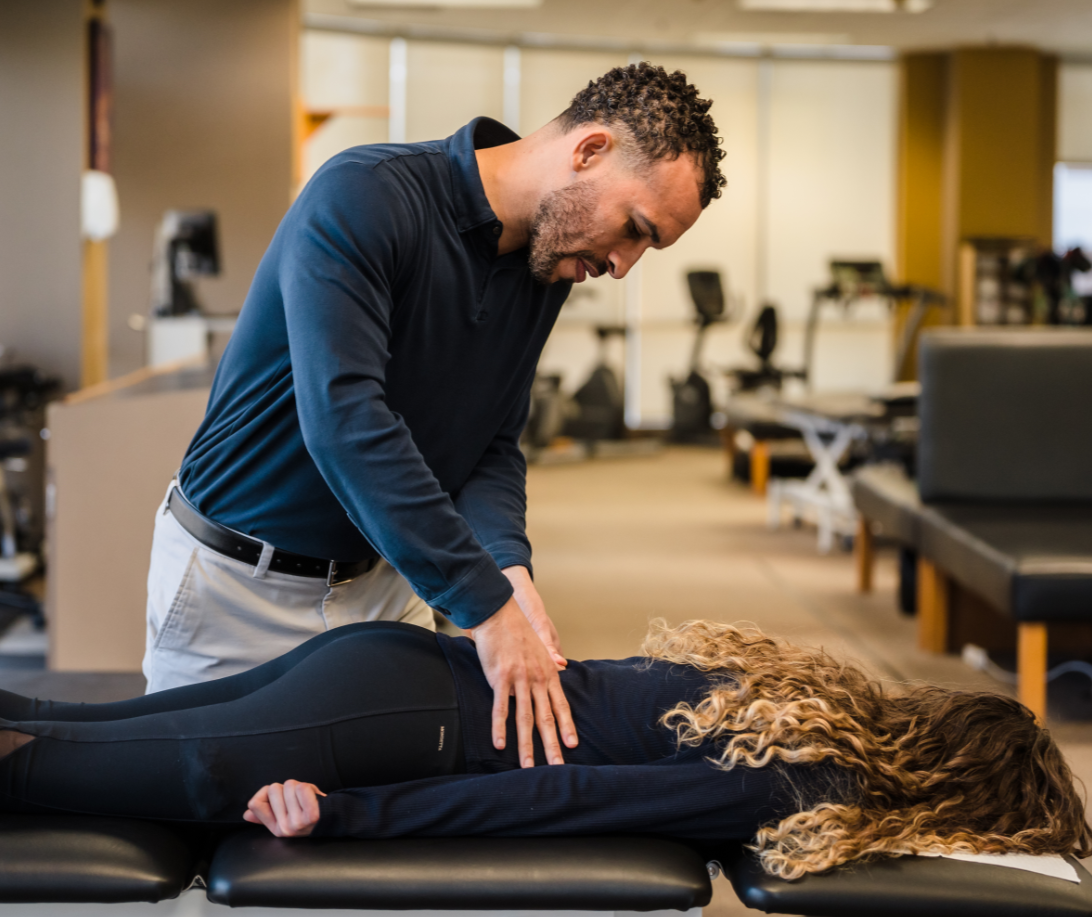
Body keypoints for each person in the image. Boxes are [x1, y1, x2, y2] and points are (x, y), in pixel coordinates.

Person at [143, 62, 726, 772]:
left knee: (387, 829)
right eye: (634, 228)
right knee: (210, 842)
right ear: (589, 151)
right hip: (239, 587)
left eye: (648, 246)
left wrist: (509, 567)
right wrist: (483, 602)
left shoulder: (547, 266)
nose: (625, 264)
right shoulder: (364, 197)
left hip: (385, 588)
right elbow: (346, 421)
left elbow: (491, 443)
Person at [0, 620, 1092, 879]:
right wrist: (347, 815)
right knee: (25, 762)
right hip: (380, 733)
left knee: (64, 724)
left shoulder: (814, 698)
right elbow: (562, 799)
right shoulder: (807, 779)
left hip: (386, 671)